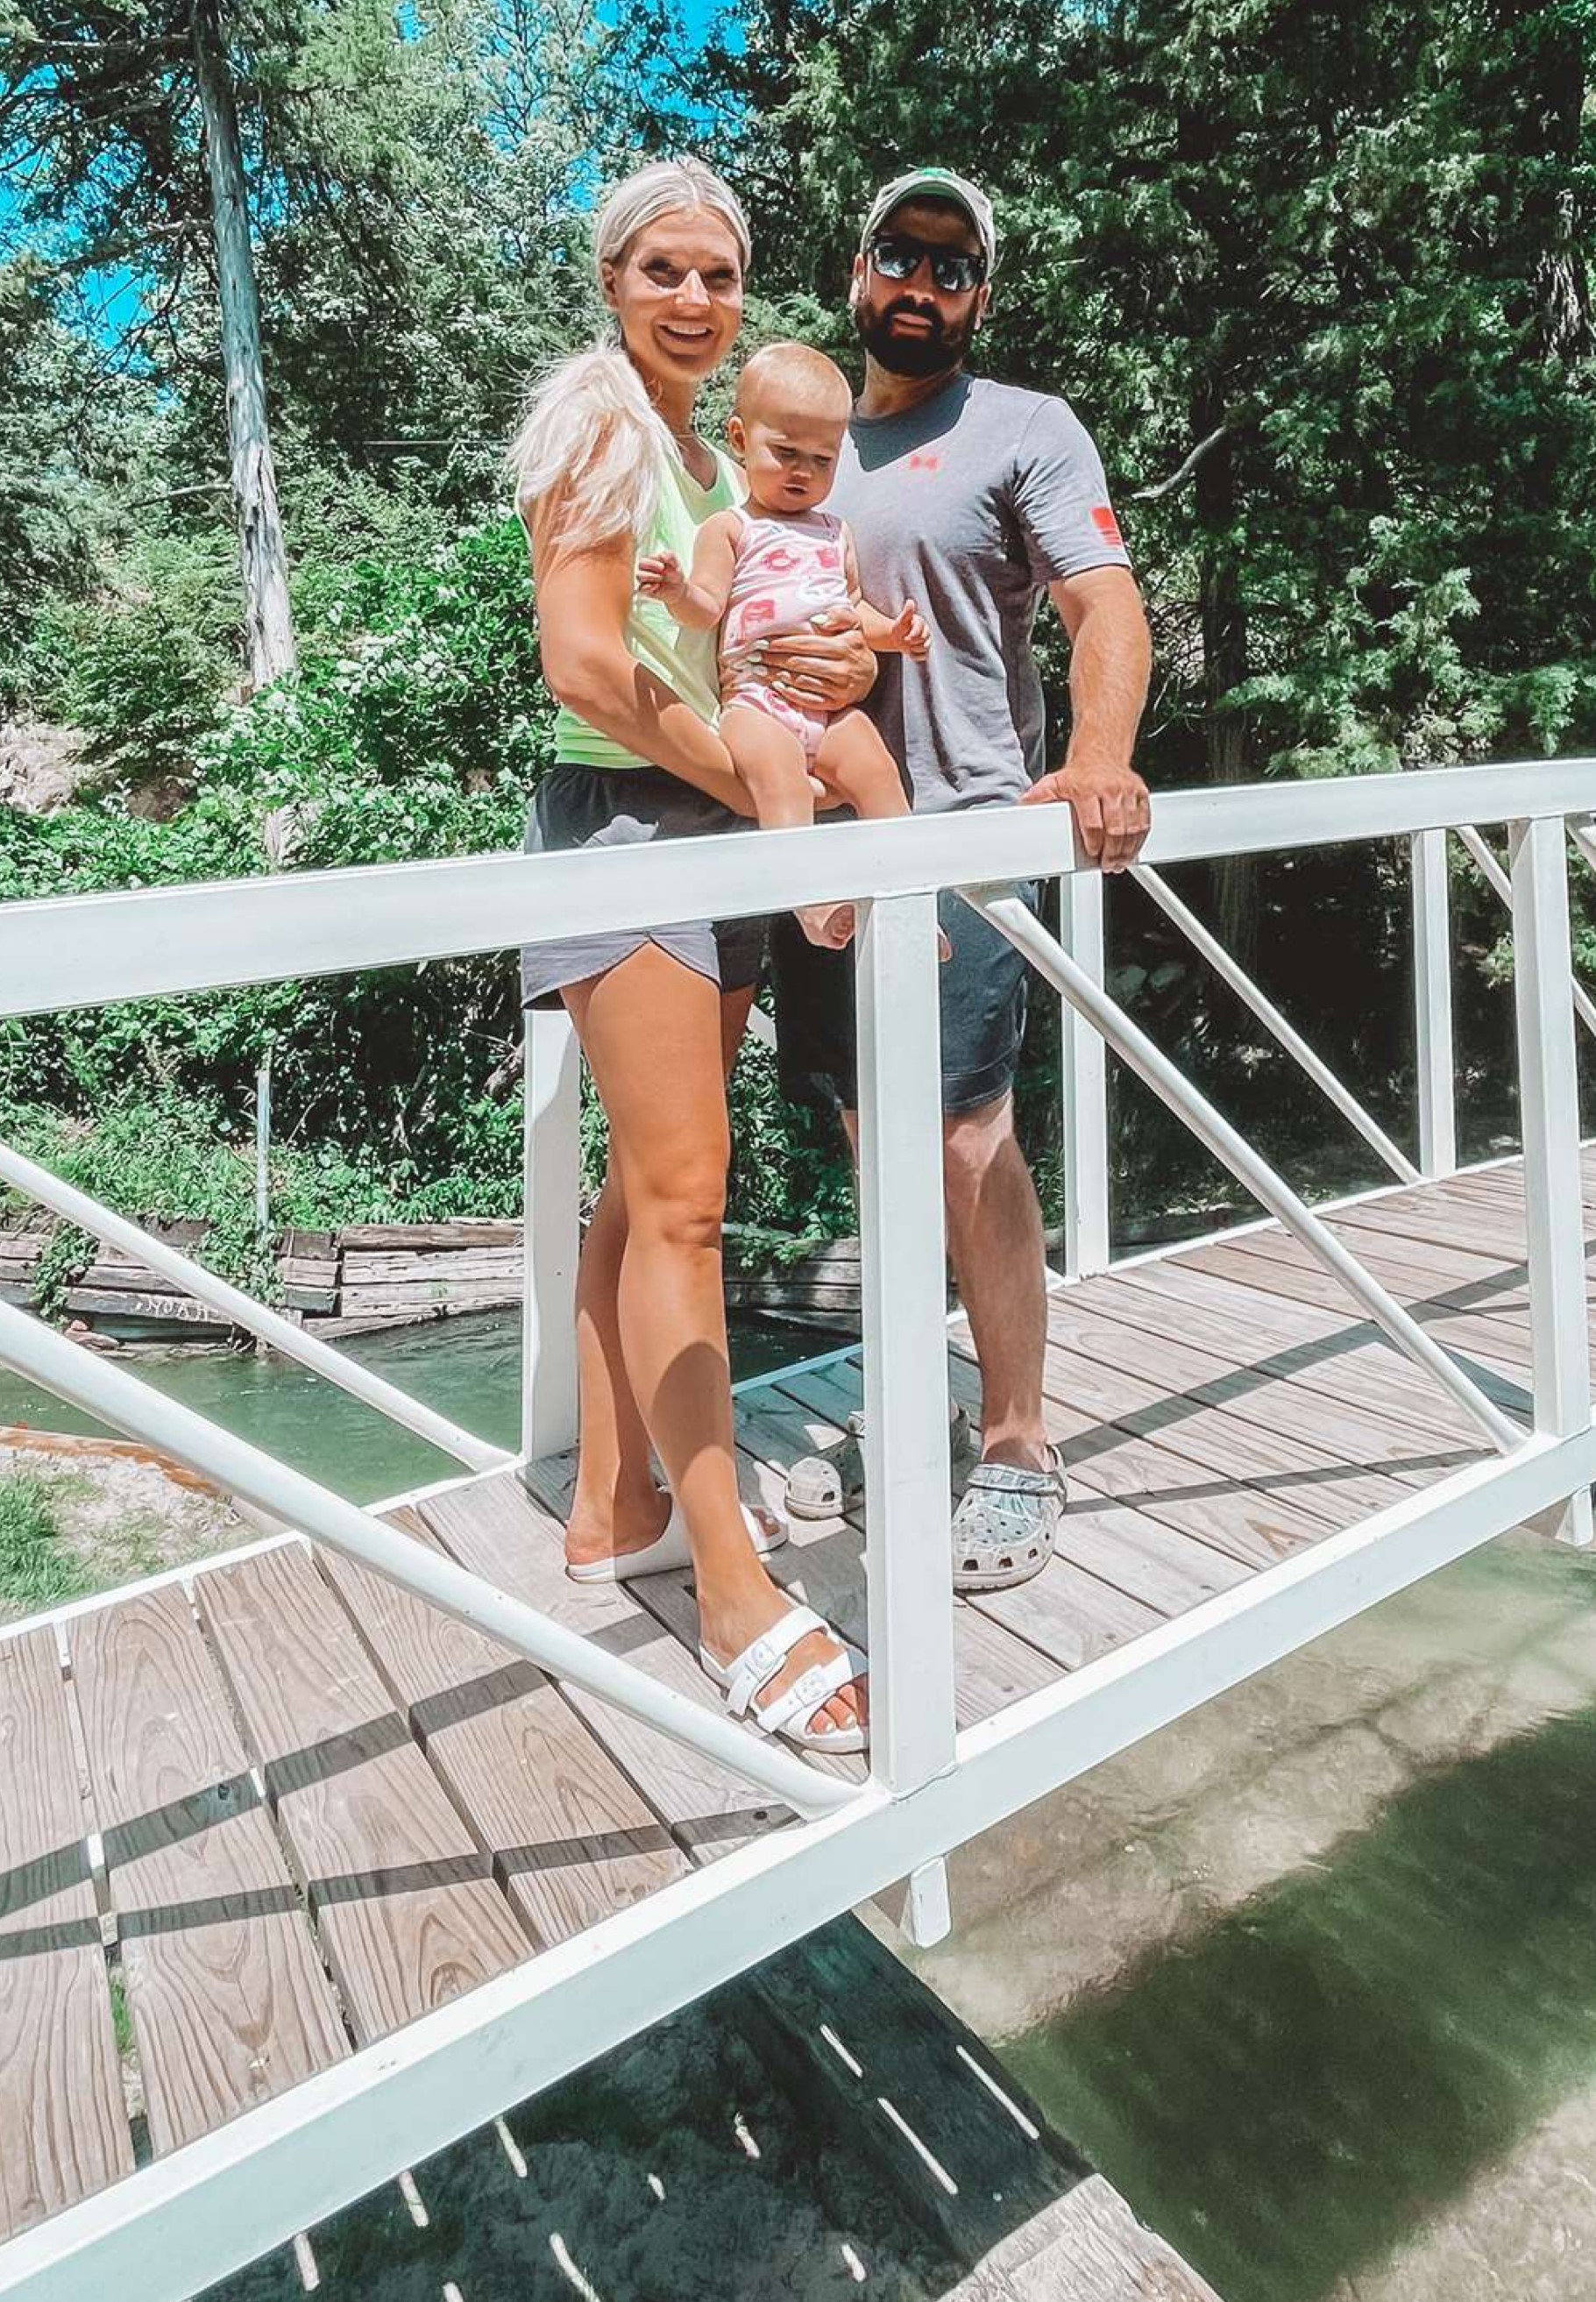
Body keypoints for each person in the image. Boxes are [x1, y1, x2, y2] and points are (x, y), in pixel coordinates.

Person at [509, 159, 875, 1752]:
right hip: (632, 823)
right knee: (685, 1203)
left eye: (718, 275)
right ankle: (733, 1590)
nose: (694, 299)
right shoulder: (596, 423)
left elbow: (736, 638)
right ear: (613, 280)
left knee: (645, 1190)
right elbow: (585, 663)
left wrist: (829, 668)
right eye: (664, 269)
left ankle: (617, 1504)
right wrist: (755, 785)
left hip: (711, 820)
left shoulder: (712, 461)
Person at [770, 166, 1153, 1593]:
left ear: (979, 296)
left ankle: (1015, 1440)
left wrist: (1098, 757)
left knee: (967, 1142)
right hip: (825, 852)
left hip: (969, 840)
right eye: (900, 255)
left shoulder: (1024, 428)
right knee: (876, 1144)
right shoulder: (801, 438)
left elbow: (1105, 605)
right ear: (858, 270)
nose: (921, 286)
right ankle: (913, 1399)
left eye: (951, 268)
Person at [637, 340, 930, 950]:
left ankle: (912, 902)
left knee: (878, 770)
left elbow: (852, 609)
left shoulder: (834, 533)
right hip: (756, 702)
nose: (803, 472)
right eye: (785, 453)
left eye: (822, 460)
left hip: (829, 710)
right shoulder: (731, 528)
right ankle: (812, 906)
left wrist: (894, 636)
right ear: (740, 439)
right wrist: (677, 590)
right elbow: (707, 608)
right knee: (782, 782)